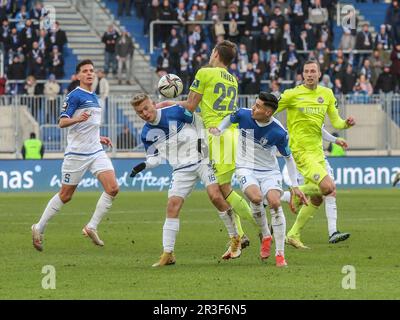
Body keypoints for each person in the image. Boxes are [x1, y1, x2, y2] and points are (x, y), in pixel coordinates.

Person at [129, 93, 241, 266]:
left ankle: (235, 238)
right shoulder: (146, 133)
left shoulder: (174, 111)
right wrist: (143, 166)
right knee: (172, 205)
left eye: (145, 108)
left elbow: (197, 121)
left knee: (216, 196)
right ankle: (168, 253)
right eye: (139, 112)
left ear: (153, 103)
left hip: (202, 160)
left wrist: (202, 143)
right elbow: (155, 158)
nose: (144, 113)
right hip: (181, 169)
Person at [170, 40, 258, 249]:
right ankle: (242, 234)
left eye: (212, 51)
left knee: (223, 188)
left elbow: (191, 106)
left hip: (216, 135)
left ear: (217, 53)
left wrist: (169, 104)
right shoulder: (233, 80)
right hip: (232, 133)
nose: (210, 54)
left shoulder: (205, 73)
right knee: (220, 187)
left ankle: (260, 224)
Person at [211, 92, 308, 267]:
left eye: (258, 106)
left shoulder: (279, 132)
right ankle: (266, 234)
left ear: (268, 112)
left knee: (274, 203)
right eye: (254, 104)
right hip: (246, 167)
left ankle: (280, 255)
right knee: (255, 198)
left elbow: (288, 158)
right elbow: (229, 118)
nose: (253, 108)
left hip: (269, 171)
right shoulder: (243, 114)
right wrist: (220, 129)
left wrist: (294, 186)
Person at [31, 60, 119, 252]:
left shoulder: (93, 96)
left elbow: (90, 125)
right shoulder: (74, 96)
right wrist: (77, 118)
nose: (89, 74)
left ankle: (91, 226)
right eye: (85, 71)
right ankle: (39, 227)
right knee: (66, 195)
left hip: (96, 151)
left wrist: (99, 137)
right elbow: (62, 122)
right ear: (78, 76)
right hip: (77, 154)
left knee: (112, 188)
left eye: (91, 71)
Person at [275, 59, 355, 249]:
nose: (310, 74)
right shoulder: (292, 94)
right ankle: (288, 195)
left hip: (317, 152)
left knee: (319, 196)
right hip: (301, 152)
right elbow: (270, 110)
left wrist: (346, 124)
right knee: (329, 186)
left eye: (313, 71)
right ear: (302, 74)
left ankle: (293, 234)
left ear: (320, 74)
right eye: (306, 71)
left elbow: (336, 122)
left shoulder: (326, 94)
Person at [280, 127, 351, 244]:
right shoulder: (303, 111)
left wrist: (335, 140)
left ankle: (293, 232)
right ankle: (332, 232)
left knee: (317, 198)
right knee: (328, 189)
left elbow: (318, 128)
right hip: (307, 157)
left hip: (315, 157)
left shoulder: (315, 112)